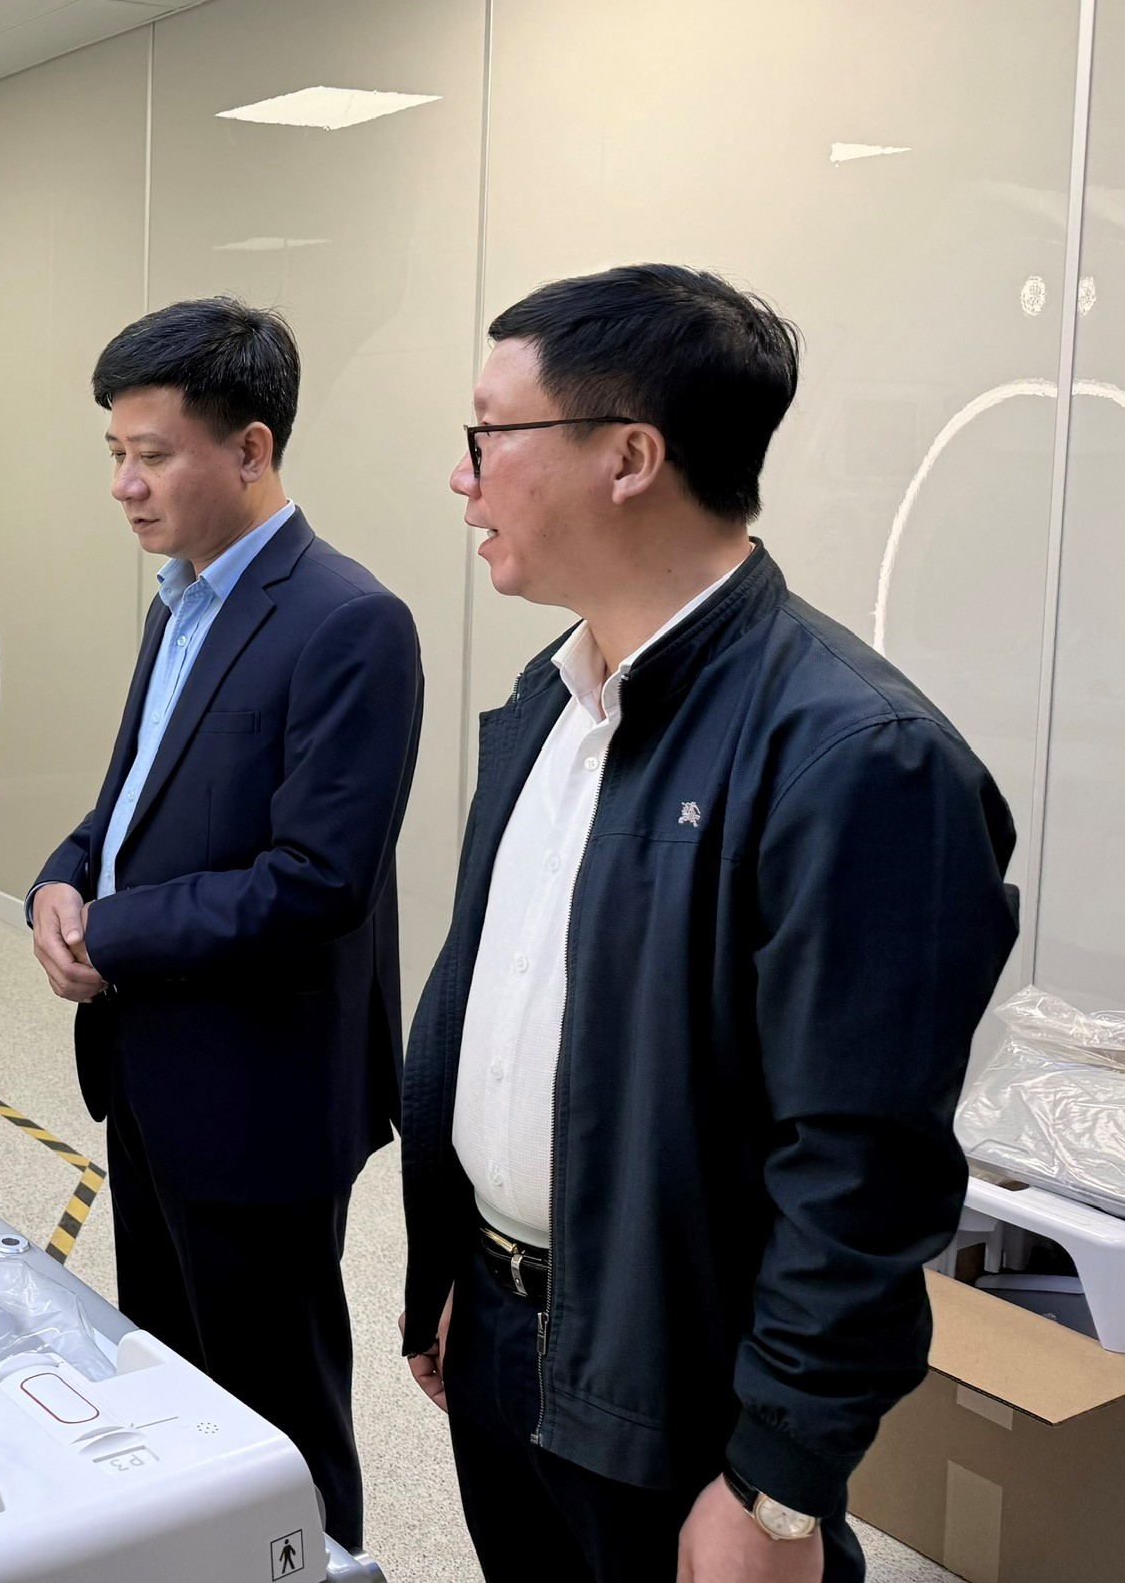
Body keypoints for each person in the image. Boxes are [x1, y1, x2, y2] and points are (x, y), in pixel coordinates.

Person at [398, 266, 1018, 1583]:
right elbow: (501, 1022)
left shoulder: (856, 757)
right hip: (506, 1329)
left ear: (630, 457)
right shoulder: (555, 701)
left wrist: (778, 1487)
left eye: (488, 436)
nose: (463, 477)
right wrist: (464, 1268)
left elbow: (861, 1178)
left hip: (680, 1392)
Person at [27, 298, 424, 1552]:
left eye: (151, 455)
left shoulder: (347, 621)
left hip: (258, 1090)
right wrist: (60, 878)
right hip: (146, 1068)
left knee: (276, 1413)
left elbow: (315, 881)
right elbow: (132, 797)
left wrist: (112, 933)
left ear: (251, 450)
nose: (123, 485)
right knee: (174, 1380)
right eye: (114, 453)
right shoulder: (178, 599)